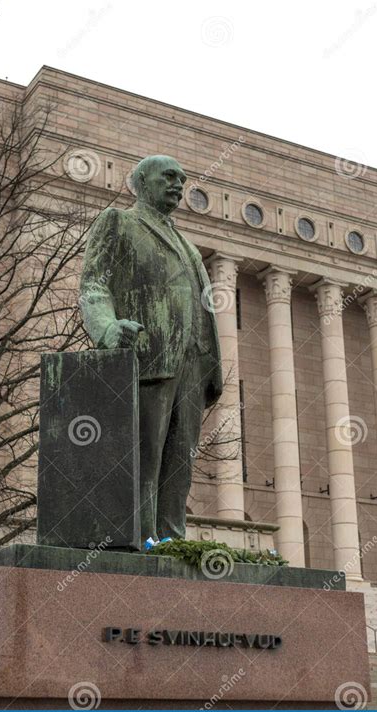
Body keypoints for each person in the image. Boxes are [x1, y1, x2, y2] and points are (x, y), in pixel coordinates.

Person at [80, 155, 222, 547]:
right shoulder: (119, 223)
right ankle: (138, 539)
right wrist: (107, 328)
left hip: (193, 365)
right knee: (144, 458)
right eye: (170, 177)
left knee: (181, 461)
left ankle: (172, 540)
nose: (179, 185)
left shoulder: (190, 247)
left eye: (183, 179)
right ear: (142, 182)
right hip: (149, 358)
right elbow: (94, 284)